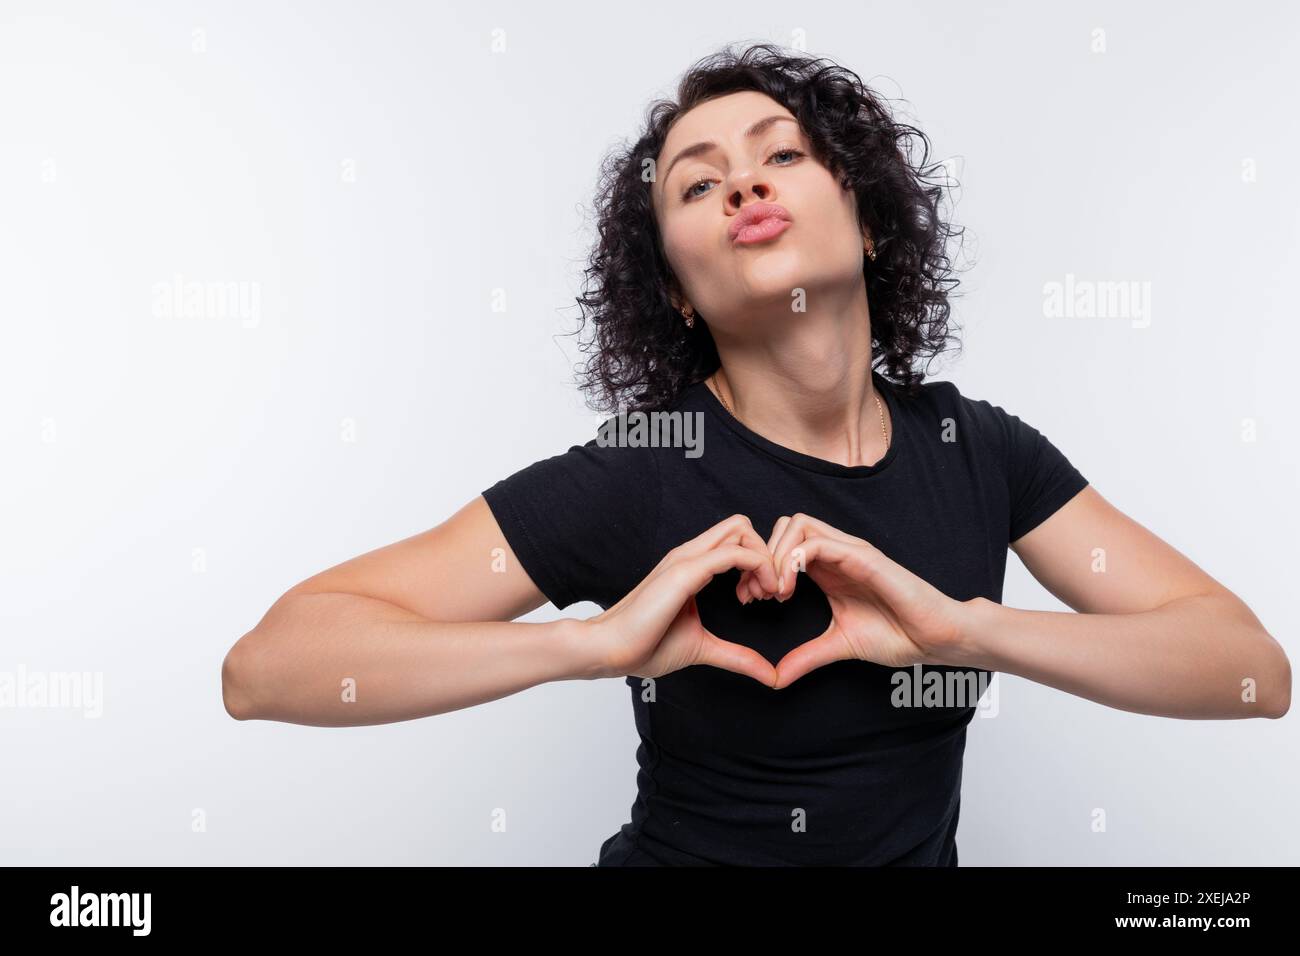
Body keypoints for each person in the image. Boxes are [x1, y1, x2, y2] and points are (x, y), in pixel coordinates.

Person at [221, 43, 1291, 866]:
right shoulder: (646, 466)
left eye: (782, 154)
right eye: (696, 184)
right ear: (676, 291)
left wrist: (963, 628)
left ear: (867, 223)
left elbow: (1248, 670)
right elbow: (267, 668)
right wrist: (595, 646)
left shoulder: (977, 448)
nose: (743, 186)